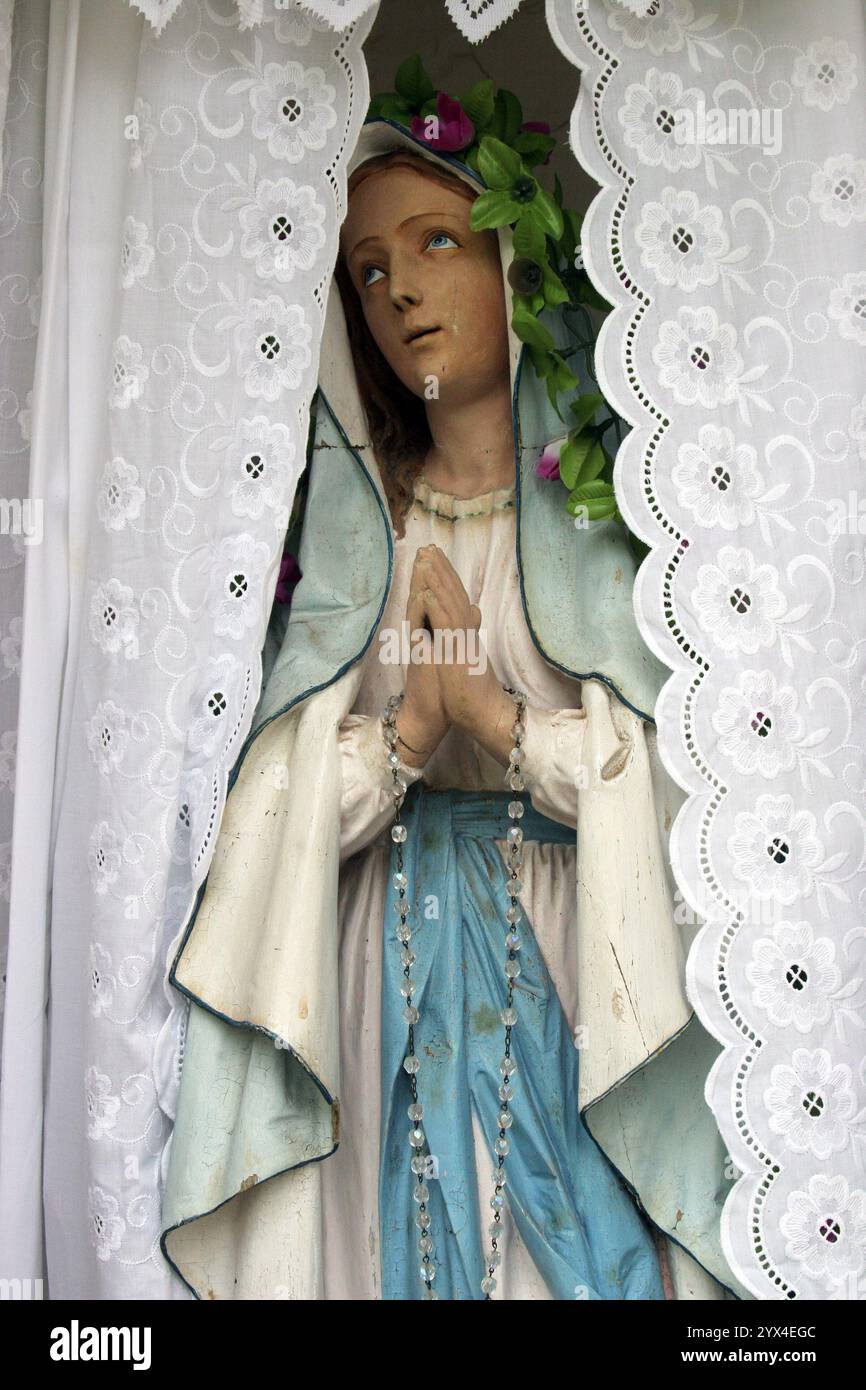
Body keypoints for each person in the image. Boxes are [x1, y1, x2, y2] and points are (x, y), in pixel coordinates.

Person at [159, 121, 741, 1302]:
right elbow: (269, 810)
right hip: (390, 959)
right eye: (369, 270)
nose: (403, 292)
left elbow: (682, 776)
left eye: (436, 243)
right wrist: (406, 740)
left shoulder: (606, 516)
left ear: (514, 269)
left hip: (574, 956)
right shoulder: (363, 525)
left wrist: (505, 723)